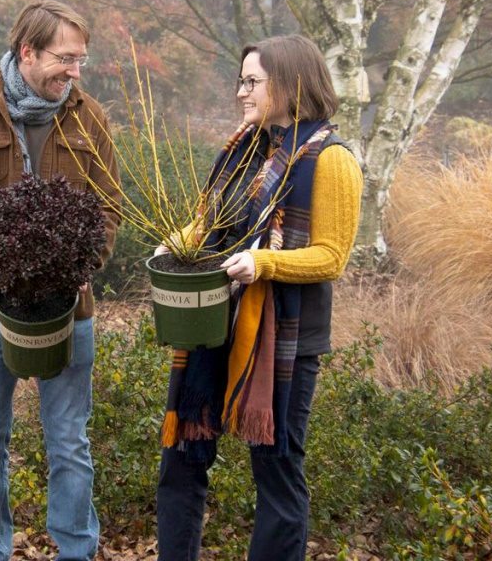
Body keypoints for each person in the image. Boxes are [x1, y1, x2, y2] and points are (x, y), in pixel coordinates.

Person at [0, 0, 121, 561]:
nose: (75, 71)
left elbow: (109, 207)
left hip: (68, 312)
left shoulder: (91, 117)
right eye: (65, 58)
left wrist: (83, 265)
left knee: (69, 442)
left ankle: (75, 551)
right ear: (27, 51)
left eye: (81, 59)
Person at [153, 35, 363, 561]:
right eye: (240, 81)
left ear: (290, 84)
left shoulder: (331, 159)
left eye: (252, 82)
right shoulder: (244, 149)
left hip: (283, 340)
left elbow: (331, 256)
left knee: (277, 470)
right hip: (214, 323)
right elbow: (211, 226)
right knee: (181, 455)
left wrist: (262, 264)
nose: (241, 93)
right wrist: (174, 244)